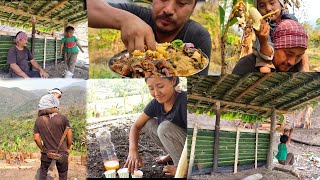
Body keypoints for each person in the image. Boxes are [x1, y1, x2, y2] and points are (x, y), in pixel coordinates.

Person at [87, 0, 212, 75]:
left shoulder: (199, 36)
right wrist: (123, 19)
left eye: (182, 2)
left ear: (193, 7)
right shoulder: (135, 13)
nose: (168, 9)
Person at [124, 77, 186, 176]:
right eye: (151, 88)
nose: (156, 93)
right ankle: (172, 155)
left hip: (192, 151)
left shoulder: (184, 101)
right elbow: (136, 126)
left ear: (173, 81)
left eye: (160, 86)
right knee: (148, 123)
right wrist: (132, 150)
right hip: (179, 142)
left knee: (165, 127)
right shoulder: (156, 103)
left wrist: (184, 170)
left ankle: (182, 168)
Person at [233, 19, 308, 75]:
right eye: (288, 54)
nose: (292, 62)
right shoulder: (247, 65)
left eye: (299, 56)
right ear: (274, 45)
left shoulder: (297, 68)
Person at [252, 0, 309, 73]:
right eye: (262, 6)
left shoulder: (290, 18)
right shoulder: (262, 28)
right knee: (264, 66)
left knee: (303, 55)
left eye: (272, 3)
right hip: (265, 52)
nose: (268, 8)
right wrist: (263, 40)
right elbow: (267, 53)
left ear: (281, 5)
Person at [34, 90, 72, 180]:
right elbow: (69, 136)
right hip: (62, 153)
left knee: (43, 173)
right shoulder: (63, 118)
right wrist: (68, 148)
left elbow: (36, 138)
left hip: (46, 153)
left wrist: (42, 148)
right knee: (63, 175)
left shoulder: (39, 120)